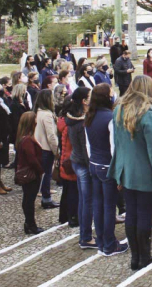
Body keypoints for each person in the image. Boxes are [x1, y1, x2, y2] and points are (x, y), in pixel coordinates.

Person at [110, 76, 152, 270]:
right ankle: (144, 256)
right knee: (143, 215)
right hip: (145, 173)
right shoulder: (148, 114)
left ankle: (135, 257)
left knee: (132, 214)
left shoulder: (119, 110)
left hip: (127, 172)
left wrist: (118, 172)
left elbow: (117, 145)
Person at [84, 83, 128, 256]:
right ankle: (109, 244)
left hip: (94, 164)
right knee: (109, 206)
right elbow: (114, 147)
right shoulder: (110, 117)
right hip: (107, 166)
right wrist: (118, 172)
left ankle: (101, 240)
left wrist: (93, 160)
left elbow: (88, 145)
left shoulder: (89, 116)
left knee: (98, 204)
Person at [66, 86, 96, 249]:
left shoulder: (74, 117)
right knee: (87, 202)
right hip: (83, 164)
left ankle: (85, 234)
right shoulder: (81, 123)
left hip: (77, 162)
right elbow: (86, 149)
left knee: (84, 200)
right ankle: (85, 237)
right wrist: (92, 167)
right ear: (84, 101)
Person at [14, 112, 45, 234]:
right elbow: (32, 159)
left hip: (27, 173)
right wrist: (40, 170)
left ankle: (29, 223)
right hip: (31, 174)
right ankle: (31, 224)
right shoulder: (27, 140)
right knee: (29, 200)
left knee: (28, 199)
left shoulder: (22, 138)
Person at [57, 89, 82, 228]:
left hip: (65, 159)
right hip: (70, 160)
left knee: (67, 190)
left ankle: (64, 215)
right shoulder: (70, 125)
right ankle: (72, 216)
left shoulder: (62, 120)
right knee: (73, 191)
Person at [32, 90, 59, 209]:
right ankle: (46, 199)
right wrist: (56, 150)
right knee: (47, 174)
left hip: (39, 147)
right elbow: (51, 135)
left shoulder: (37, 113)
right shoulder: (47, 115)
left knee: (44, 173)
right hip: (46, 149)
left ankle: (45, 196)